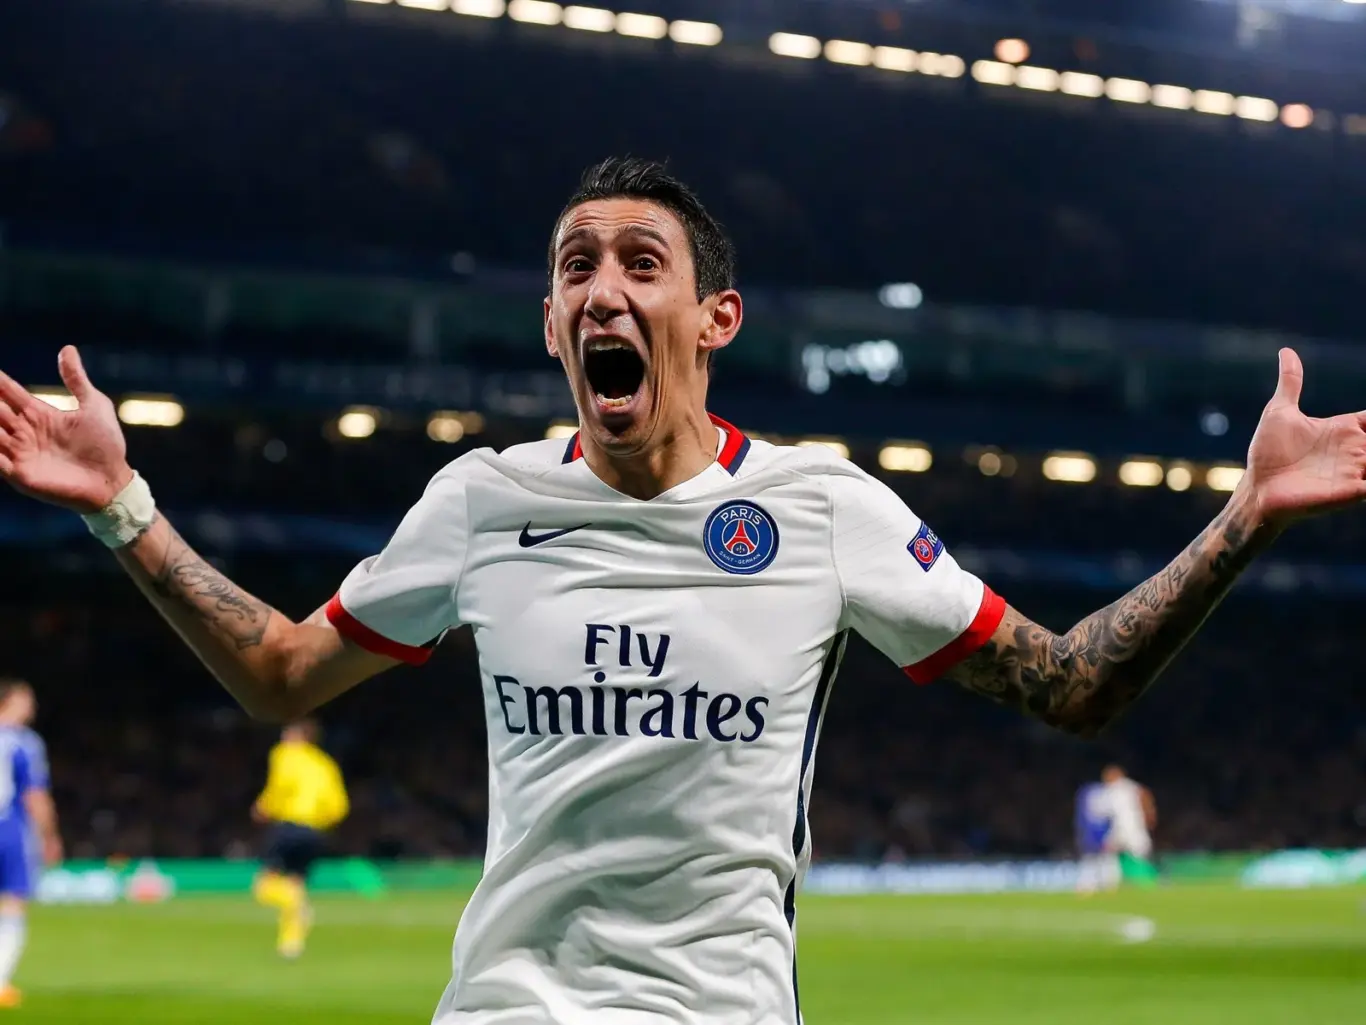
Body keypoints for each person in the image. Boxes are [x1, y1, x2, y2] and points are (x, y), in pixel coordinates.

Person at [2, 156, 1366, 1024]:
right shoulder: (481, 502)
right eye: (575, 269)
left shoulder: (820, 508)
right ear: (551, 324)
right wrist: (122, 505)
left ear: (715, 317)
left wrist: (1243, 516)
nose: (602, 289)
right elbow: (281, 672)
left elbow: (1072, 683)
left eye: (639, 263)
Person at [250, 718, 349, 959]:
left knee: (264, 887)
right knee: (296, 884)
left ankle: (295, 903)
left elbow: (280, 785)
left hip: (290, 826)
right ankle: (291, 944)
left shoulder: (285, 754)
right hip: (315, 832)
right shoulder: (325, 764)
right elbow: (339, 807)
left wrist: (263, 807)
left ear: (297, 735)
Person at [0, 679, 62, 1009]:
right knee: (13, 902)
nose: (32, 707)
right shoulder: (24, 742)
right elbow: (35, 794)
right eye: (25, 700)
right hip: (9, 831)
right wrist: (49, 836)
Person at [1098, 764, 1159, 888]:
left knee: (1117, 853)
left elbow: (1103, 812)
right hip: (1132, 827)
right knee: (1134, 853)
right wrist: (1150, 816)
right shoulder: (1132, 787)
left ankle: (1145, 880)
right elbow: (1146, 797)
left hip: (1125, 827)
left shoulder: (1112, 790)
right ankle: (1118, 881)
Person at [1073, 777, 1116, 895]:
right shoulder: (1103, 795)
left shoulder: (1086, 794)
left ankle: (1091, 886)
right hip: (1096, 835)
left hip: (1094, 835)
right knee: (1097, 860)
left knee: (1098, 860)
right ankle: (1095, 886)